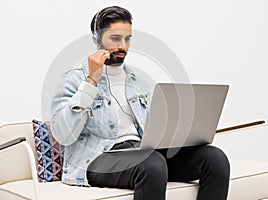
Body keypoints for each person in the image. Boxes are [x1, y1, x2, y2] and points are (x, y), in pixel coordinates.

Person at [50, 5, 230, 200]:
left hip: (143, 152)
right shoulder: (73, 79)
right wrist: (91, 81)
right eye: (115, 38)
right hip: (98, 158)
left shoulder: (138, 81)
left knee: (214, 159)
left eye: (127, 39)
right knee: (151, 164)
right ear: (97, 38)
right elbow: (63, 135)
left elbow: (155, 128)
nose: (123, 46)